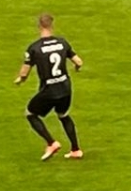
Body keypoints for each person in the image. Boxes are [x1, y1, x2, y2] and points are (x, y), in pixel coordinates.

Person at [16, 13, 83, 160]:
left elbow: (24, 72)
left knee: (30, 114)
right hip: (65, 88)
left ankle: (51, 143)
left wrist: (20, 80)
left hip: (49, 90)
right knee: (63, 115)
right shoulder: (62, 42)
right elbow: (78, 62)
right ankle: (76, 150)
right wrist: (77, 68)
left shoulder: (34, 48)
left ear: (39, 26)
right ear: (52, 25)